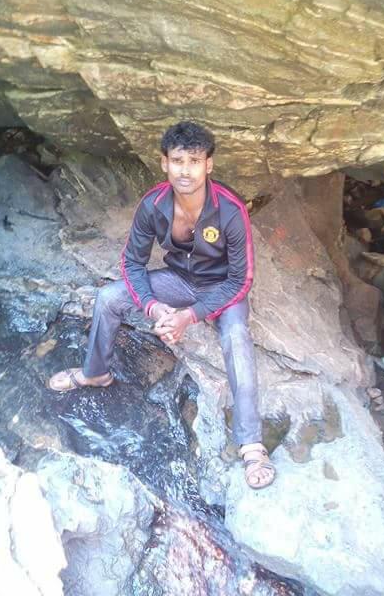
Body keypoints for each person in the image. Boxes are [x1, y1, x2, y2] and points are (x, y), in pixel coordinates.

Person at [48, 121, 275, 490]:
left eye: (195, 161)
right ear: (164, 163)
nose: (185, 170)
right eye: (178, 160)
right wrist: (153, 306)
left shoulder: (230, 210)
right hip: (178, 280)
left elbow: (240, 280)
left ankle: (251, 443)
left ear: (209, 165)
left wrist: (189, 316)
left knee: (236, 336)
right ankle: (95, 372)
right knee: (108, 297)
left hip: (221, 287)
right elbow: (132, 263)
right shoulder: (153, 204)